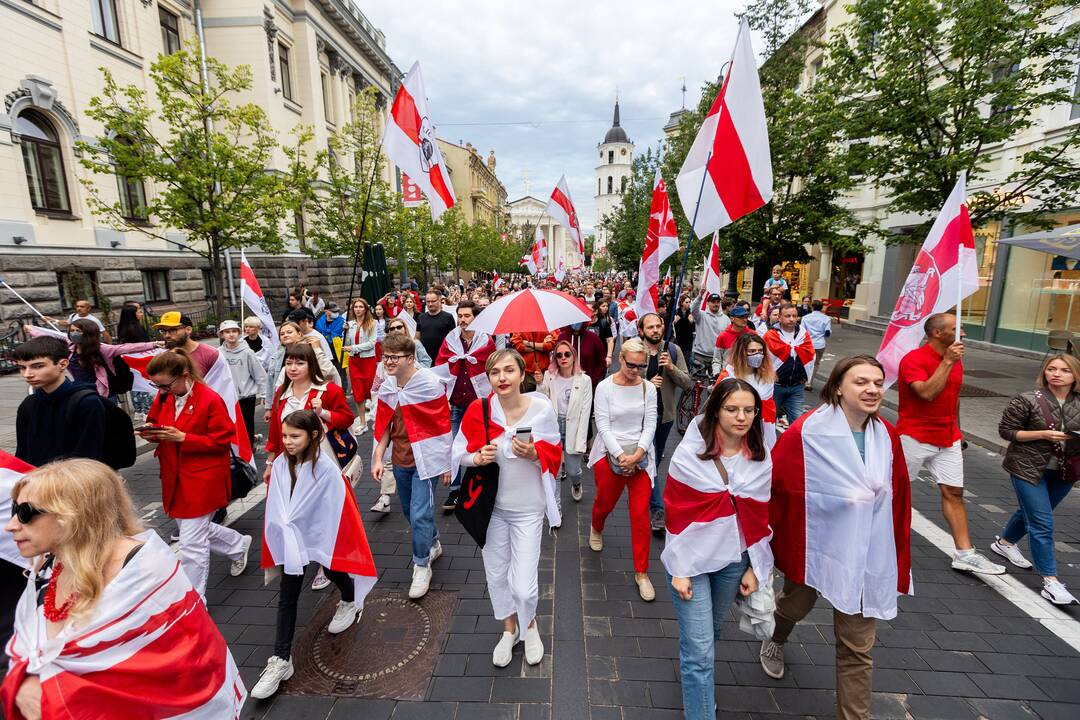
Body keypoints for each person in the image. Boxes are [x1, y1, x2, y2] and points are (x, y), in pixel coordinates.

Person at [1, 460, 246, 718]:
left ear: (73, 514)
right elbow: (31, 651)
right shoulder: (47, 567)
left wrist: (53, 694)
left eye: (26, 513)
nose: (11, 525)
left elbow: (182, 674)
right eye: (14, 509)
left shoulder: (146, 572)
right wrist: (25, 683)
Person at [761, 356, 912, 720]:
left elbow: (900, 493)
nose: (872, 389)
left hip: (865, 553)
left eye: (877, 382)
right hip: (817, 545)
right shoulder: (806, 432)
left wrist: (897, 550)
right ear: (838, 386)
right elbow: (778, 487)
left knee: (857, 649)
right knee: (793, 606)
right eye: (861, 382)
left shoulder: (887, 435)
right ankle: (776, 638)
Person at [663, 378, 773, 720]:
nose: (741, 417)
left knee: (708, 634)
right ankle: (700, 708)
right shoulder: (689, 454)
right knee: (699, 649)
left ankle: (695, 678)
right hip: (691, 562)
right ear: (715, 411)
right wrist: (678, 569)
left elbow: (760, 513)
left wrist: (756, 567)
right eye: (732, 409)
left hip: (734, 560)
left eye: (748, 410)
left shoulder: (760, 456)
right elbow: (675, 513)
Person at [252, 410, 378, 699]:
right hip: (293, 542)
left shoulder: (326, 469)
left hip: (321, 535)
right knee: (288, 594)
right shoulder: (283, 464)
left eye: (294, 436)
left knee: (334, 570)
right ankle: (281, 659)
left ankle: (349, 600)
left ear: (313, 436)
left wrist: (313, 529)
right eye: (284, 436)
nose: (288, 442)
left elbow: (336, 507)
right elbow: (278, 504)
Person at [453, 349, 563, 667]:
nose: (502, 378)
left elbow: (555, 451)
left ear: (521, 373)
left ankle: (530, 625)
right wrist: (477, 458)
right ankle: (509, 629)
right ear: (488, 377)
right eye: (495, 372)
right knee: (497, 576)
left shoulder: (540, 408)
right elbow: (459, 451)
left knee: (525, 587)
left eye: (509, 370)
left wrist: (533, 454)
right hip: (492, 510)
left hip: (529, 509)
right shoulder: (479, 409)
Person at [898, 313, 1004, 575]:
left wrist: (959, 430)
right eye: (957, 329)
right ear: (937, 333)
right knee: (894, 493)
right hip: (914, 436)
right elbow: (926, 393)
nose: (963, 334)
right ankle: (880, 542)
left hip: (948, 437)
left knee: (954, 493)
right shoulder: (914, 359)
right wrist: (947, 362)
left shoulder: (955, 359)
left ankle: (965, 553)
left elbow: (954, 397)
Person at [141, 350, 252, 597]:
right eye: (156, 385)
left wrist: (184, 438)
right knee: (196, 530)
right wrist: (150, 429)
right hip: (174, 475)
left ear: (185, 375)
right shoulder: (164, 396)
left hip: (203, 478)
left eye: (165, 385)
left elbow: (222, 441)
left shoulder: (210, 399)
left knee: (192, 543)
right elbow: (154, 419)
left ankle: (195, 600)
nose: (160, 391)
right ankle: (238, 544)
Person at [371, 333, 452, 599]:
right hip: (400, 459)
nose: (388, 362)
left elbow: (442, 427)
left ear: (410, 358)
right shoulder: (388, 387)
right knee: (410, 512)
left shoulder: (429, 384)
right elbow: (384, 425)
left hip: (425, 461)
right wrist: (378, 456)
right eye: (385, 357)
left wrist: (447, 464)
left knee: (419, 514)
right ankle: (433, 541)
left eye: (394, 358)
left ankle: (421, 565)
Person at [994, 354, 1080, 605]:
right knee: (1042, 522)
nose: (1056, 373)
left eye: (1064, 370)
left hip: (1065, 471)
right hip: (1027, 467)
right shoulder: (1027, 399)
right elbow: (1006, 431)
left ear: (1074, 375)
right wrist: (1042, 434)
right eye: (1051, 369)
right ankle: (1051, 582)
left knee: (1032, 512)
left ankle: (1005, 542)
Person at [588, 338, 659, 602]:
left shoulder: (648, 388)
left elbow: (650, 422)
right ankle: (596, 526)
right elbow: (602, 425)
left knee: (640, 515)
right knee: (604, 503)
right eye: (631, 365)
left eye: (641, 366)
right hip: (609, 453)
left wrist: (638, 453)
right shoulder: (605, 387)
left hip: (639, 456)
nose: (636, 371)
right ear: (620, 359)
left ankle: (642, 572)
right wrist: (620, 455)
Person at [434, 300, 496, 512]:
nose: (462, 320)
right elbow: (441, 367)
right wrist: (443, 397)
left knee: (479, 444)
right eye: (460, 316)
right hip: (456, 401)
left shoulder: (485, 341)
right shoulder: (450, 340)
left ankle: (479, 485)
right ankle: (455, 488)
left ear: (475, 318)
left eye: (467, 316)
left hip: (478, 402)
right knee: (454, 444)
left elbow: (492, 367)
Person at [13, 337, 107, 467]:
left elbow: (89, 456)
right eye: (23, 368)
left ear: (62, 364)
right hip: (35, 482)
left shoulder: (87, 403)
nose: (27, 374)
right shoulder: (28, 404)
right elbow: (22, 452)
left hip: (75, 482)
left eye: (38, 366)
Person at [637, 313, 692, 533]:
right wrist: (646, 384)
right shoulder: (634, 349)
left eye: (658, 326)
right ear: (641, 330)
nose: (655, 330)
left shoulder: (672, 350)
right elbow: (624, 381)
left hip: (664, 416)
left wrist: (670, 367)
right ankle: (657, 509)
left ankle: (645, 489)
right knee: (649, 460)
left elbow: (687, 383)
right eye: (650, 327)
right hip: (639, 416)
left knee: (653, 460)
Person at [540, 340, 593, 503]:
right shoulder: (549, 376)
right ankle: (556, 508)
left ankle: (576, 483)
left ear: (573, 356)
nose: (563, 358)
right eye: (559, 355)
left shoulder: (584, 380)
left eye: (567, 354)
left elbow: (585, 413)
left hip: (574, 427)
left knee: (572, 469)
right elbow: (542, 401)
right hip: (553, 425)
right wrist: (538, 384)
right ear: (555, 358)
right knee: (553, 470)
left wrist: (581, 440)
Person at [716, 333, 778, 448]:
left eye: (760, 351)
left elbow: (769, 407)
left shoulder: (768, 377)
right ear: (741, 353)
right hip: (734, 431)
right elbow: (716, 407)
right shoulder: (728, 376)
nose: (757, 355)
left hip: (762, 430)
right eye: (752, 351)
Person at [762, 303, 815, 424]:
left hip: (797, 387)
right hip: (775, 386)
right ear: (779, 317)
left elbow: (811, 356)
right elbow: (763, 359)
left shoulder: (804, 335)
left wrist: (806, 378)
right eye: (787, 316)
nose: (791, 319)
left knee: (796, 423)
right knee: (769, 421)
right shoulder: (770, 335)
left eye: (794, 316)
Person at [218, 319, 267, 450]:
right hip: (227, 396)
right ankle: (235, 449)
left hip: (246, 396)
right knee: (230, 425)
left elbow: (259, 374)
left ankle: (249, 450)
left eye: (234, 331)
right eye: (227, 332)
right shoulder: (218, 353)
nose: (231, 334)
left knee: (246, 425)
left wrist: (264, 395)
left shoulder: (247, 352)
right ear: (222, 334)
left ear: (239, 333)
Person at [265, 320, 335, 407]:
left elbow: (329, 371)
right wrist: (269, 407)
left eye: (289, 332)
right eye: (282, 334)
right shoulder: (276, 356)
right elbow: (271, 381)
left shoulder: (310, 350)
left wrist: (316, 349)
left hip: (310, 398)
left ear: (299, 334)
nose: (285, 335)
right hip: (284, 400)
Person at [344, 298, 378, 434]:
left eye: (360, 307)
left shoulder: (372, 323)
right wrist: (345, 331)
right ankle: (363, 423)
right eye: (355, 307)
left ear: (365, 309)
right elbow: (346, 343)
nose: (357, 309)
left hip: (368, 361)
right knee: (358, 393)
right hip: (354, 362)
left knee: (371, 390)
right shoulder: (350, 324)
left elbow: (371, 343)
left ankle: (377, 419)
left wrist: (353, 347)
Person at [152, 312, 220, 376]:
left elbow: (222, 385)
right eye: (163, 331)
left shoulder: (211, 354)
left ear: (188, 330)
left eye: (172, 330)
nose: (167, 335)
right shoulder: (163, 357)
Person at [287, 308, 342, 386]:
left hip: (318, 379)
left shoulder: (317, 337)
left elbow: (328, 362)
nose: (295, 326)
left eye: (297, 323)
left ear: (305, 321)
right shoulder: (293, 336)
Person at [557, 315, 606, 390]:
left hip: (587, 386)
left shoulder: (593, 338)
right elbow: (556, 359)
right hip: (565, 385)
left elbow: (602, 363)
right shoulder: (562, 337)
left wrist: (592, 380)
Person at [691, 293, 729, 372]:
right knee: (698, 382)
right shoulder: (701, 315)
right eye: (713, 302)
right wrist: (700, 295)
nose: (716, 304)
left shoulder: (726, 319)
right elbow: (693, 309)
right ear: (707, 303)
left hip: (717, 359)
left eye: (718, 302)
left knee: (715, 382)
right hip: (700, 356)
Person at [712, 305, 757, 373]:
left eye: (746, 317)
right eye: (741, 317)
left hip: (748, 375)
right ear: (732, 318)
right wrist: (717, 374)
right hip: (728, 376)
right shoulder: (723, 336)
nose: (745, 319)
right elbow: (717, 360)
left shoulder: (753, 335)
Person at [800, 299, 832, 391]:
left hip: (807, 343)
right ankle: (809, 382)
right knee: (816, 363)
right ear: (822, 308)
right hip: (819, 344)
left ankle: (803, 379)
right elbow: (827, 333)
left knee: (805, 361)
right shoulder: (826, 318)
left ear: (812, 307)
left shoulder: (805, 318)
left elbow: (802, 331)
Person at [416, 289, 456, 361]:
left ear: (439, 301)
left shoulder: (448, 317)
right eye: (428, 301)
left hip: (443, 357)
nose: (430, 304)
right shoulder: (421, 317)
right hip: (425, 359)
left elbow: (453, 339)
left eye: (433, 301)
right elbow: (417, 338)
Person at [590, 299, 615, 365]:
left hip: (601, 356)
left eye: (589, 310)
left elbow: (610, 340)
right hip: (587, 358)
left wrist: (609, 356)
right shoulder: (583, 324)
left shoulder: (603, 322)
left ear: (595, 311)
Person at [673, 295, 695, 362]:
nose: (689, 304)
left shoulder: (691, 313)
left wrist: (692, 322)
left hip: (688, 342)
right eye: (686, 302)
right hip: (678, 341)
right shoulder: (676, 312)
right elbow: (672, 327)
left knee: (686, 360)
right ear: (682, 303)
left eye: (689, 302)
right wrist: (675, 321)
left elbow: (693, 329)